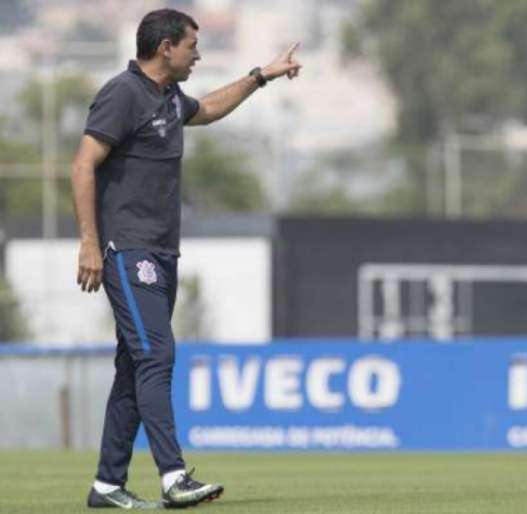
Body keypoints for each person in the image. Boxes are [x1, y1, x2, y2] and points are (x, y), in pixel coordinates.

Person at [70, 8, 301, 509]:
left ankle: (107, 485)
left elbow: (210, 109)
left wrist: (260, 76)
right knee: (157, 354)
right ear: (165, 47)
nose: (198, 54)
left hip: (161, 251)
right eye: (192, 45)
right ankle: (173, 476)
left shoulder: (169, 97)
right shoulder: (123, 93)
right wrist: (90, 242)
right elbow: (83, 164)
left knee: (135, 366)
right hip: (126, 249)